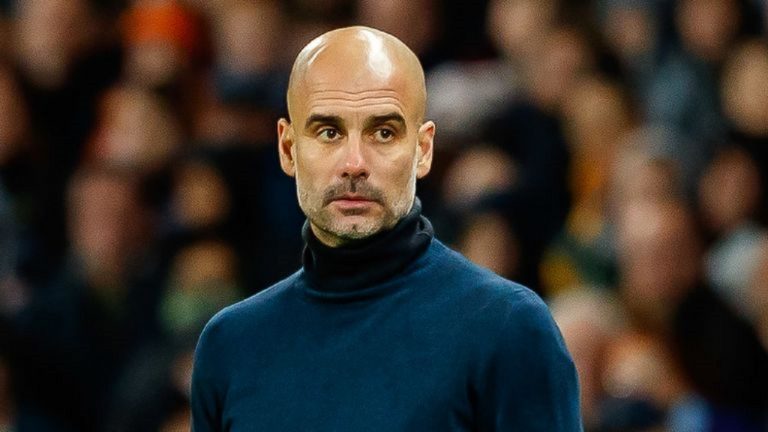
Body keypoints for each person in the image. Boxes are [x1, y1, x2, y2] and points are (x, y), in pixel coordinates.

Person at [190, 26, 582, 431]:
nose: (354, 163)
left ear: (423, 149)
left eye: (383, 133)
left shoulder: (507, 328)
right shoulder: (230, 345)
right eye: (329, 132)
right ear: (288, 148)